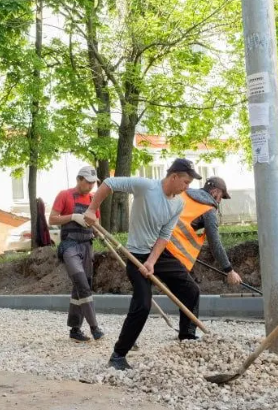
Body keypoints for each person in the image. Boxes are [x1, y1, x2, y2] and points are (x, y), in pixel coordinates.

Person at [83, 158, 200, 371]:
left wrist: (152, 262)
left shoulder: (178, 202)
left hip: (157, 253)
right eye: (185, 181)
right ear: (173, 177)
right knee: (143, 304)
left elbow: (165, 235)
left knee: (190, 289)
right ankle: (118, 355)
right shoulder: (146, 187)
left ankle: (187, 337)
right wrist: (92, 209)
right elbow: (109, 183)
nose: (187, 187)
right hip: (135, 252)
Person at [50, 165, 104, 343]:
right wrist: (72, 216)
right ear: (79, 179)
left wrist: (99, 233)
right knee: (81, 283)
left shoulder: (93, 199)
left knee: (80, 287)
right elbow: (52, 219)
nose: (90, 186)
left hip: (87, 246)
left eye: (93, 183)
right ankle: (95, 327)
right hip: (69, 246)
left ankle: (75, 329)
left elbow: (96, 224)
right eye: (87, 182)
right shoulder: (64, 195)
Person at [167, 176, 243, 287]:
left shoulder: (184, 193)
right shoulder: (208, 209)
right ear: (215, 192)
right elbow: (215, 243)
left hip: (155, 242)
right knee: (190, 292)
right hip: (172, 251)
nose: (219, 201)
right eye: (221, 197)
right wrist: (229, 270)